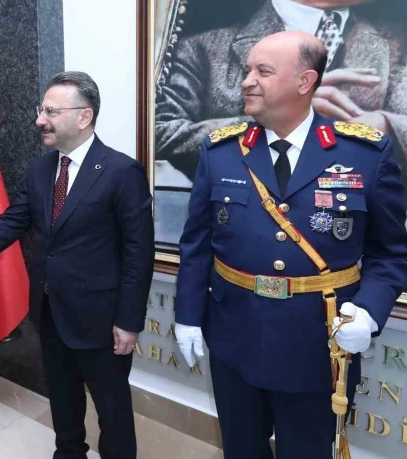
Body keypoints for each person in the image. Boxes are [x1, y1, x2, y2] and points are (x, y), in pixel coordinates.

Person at [174, 31, 407, 459]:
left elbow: (391, 253)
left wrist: (369, 311)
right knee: (241, 450)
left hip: (316, 346)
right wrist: (188, 315)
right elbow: (197, 243)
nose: (247, 81)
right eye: (247, 70)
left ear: (305, 81)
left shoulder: (364, 154)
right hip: (235, 336)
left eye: (263, 71)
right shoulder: (221, 151)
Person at [0, 71, 154, 459]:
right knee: (63, 403)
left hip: (100, 321)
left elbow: (137, 254)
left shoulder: (121, 171)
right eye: (40, 110)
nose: (39, 120)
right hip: (49, 313)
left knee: (112, 411)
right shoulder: (41, 169)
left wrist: (129, 321)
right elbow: (13, 221)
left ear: (84, 116)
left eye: (50, 111)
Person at [155, 0, 407, 183]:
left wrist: (384, 126)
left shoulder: (400, 46)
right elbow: (157, 135)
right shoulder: (201, 50)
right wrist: (276, 122)